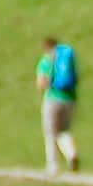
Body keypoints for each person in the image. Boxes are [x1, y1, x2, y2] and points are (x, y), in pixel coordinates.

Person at [36, 36, 79, 173]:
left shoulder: (46, 60)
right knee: (64, 131)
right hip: (70, 100)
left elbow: (41, 84)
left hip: (53, 99)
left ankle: (53, 166)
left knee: (50, 133)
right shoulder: (66, 57)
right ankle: (71, 153)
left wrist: (45, 86)